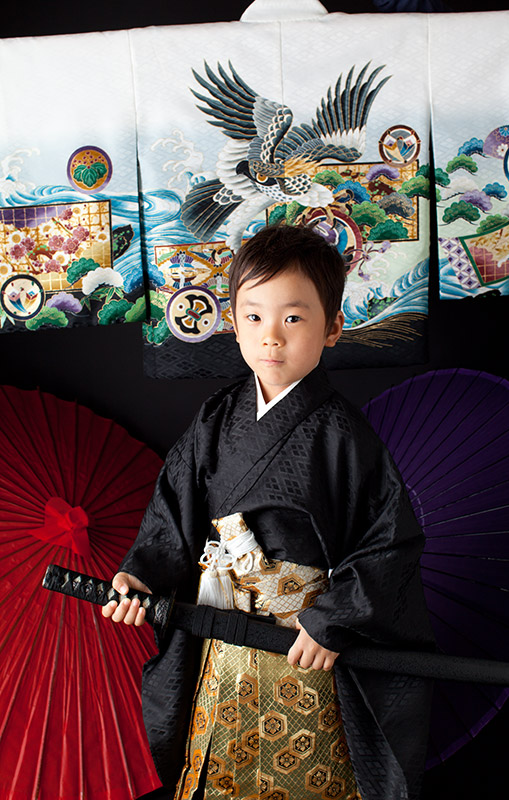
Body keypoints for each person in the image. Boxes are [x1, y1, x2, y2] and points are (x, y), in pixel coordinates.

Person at [103, 224, 434, 800]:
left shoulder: (343, 435)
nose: (271, 337)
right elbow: (174, 510)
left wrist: (332, 620)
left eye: (293, 318)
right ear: (233, 323)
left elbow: (388, 543)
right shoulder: (218, 416)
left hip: (301, 649)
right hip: (222, 643)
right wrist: (142, 574)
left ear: (333, 327)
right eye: (253, 316)